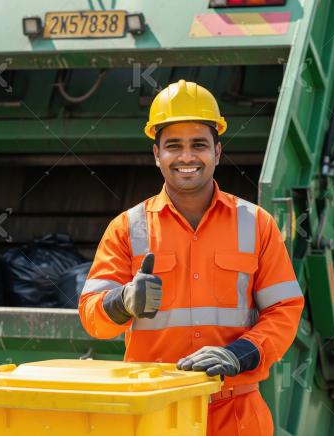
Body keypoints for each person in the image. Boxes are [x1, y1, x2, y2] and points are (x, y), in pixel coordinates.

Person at [78, 79, 304, 435]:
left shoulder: (257, 224)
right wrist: (121, 302)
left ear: (217, 151)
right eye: (173, 146)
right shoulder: (127, 228)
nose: (186, 157)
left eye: (198, 144)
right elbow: (92, 317)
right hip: (154, 414)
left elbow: (285, 309)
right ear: (157, 155)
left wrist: (240, 353)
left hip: (237, 415)